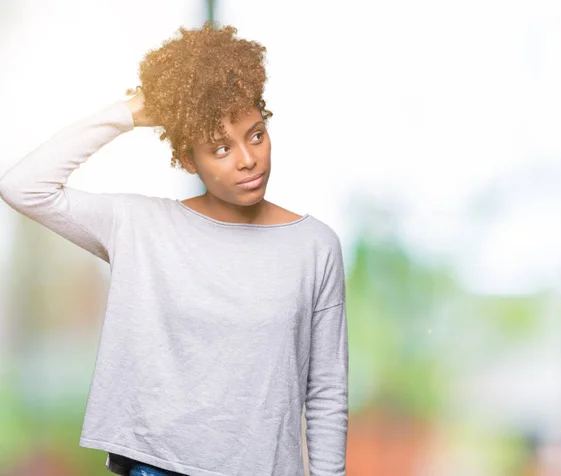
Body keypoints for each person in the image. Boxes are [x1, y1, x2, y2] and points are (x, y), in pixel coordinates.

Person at [0, 21, 348, 476]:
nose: (247, 158)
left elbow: (325, 392)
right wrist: (132, 111)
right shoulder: (142, 226)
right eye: (220, 148)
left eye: (256, 135)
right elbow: (24, 187)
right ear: (187, 159)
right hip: (155, 466)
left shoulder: (314, 246)